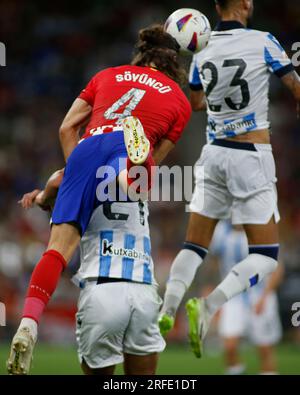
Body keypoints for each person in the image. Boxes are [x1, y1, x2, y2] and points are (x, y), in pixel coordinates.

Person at [7, 24, 191, 374]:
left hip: (90, 144)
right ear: (173, 66)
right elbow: (160, 155)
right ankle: (126, 172)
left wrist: (75, 174)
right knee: (139, 178)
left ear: (140, 56)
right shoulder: (179, 101)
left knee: (57, 250)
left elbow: (66, 128)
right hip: (132, 160)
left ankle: (29, 322)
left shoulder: (107, 74)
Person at [159, 0, 300, 358]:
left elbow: (196, 103)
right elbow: (294, 85)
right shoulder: (264, 40)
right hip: (250, 157)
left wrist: (221, 101)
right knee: (267, 255)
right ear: (243, 4)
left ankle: (168, 309)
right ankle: (208, 306)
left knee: (194, 247)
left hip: (213, 154)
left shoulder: (202, 51)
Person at [12, 171, 165, 375]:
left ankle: (29, 323)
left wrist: (42, 196)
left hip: (103, 287)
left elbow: (59, 179)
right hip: (143, 287)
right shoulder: (137, 163)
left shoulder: (89, 161)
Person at [209, 221, 283, 375]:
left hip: (259, 296)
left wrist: (264, 297)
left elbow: (278, 268)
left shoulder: (261, 227)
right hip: (233, 298)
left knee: (264, 349)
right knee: (229, 346)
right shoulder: (221, 230)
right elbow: (215, 263)